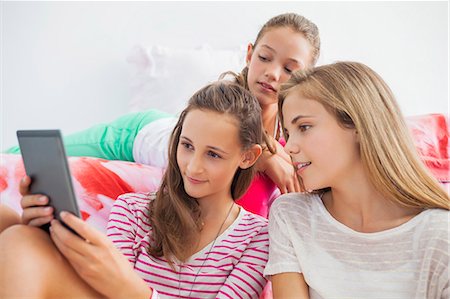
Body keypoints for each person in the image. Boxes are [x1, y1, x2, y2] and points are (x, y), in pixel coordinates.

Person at [0, 81, 269, 298]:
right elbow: (104, 292)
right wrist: (50, 233)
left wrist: (136, 291)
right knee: (20, 235)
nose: (192, 167)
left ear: (247, 157)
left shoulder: (258, 236)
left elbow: (122, 290)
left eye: (213, 155)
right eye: (187, 146)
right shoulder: (132, 209)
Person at [6, 12, 321, 195]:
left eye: (290, 68)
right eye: (265, 57)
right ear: (250, 54)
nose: (272, 73)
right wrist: (263, 158)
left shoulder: (291, 139)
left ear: (306, 76)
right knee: (17, 159)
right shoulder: (225, 102)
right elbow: (201, 145)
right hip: (136, 134)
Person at [264, 61, 450, 298]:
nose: (289, 147)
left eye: (305, 126)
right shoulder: (291, 216)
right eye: (288, 133)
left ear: (359, 125)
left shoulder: (440, 235)